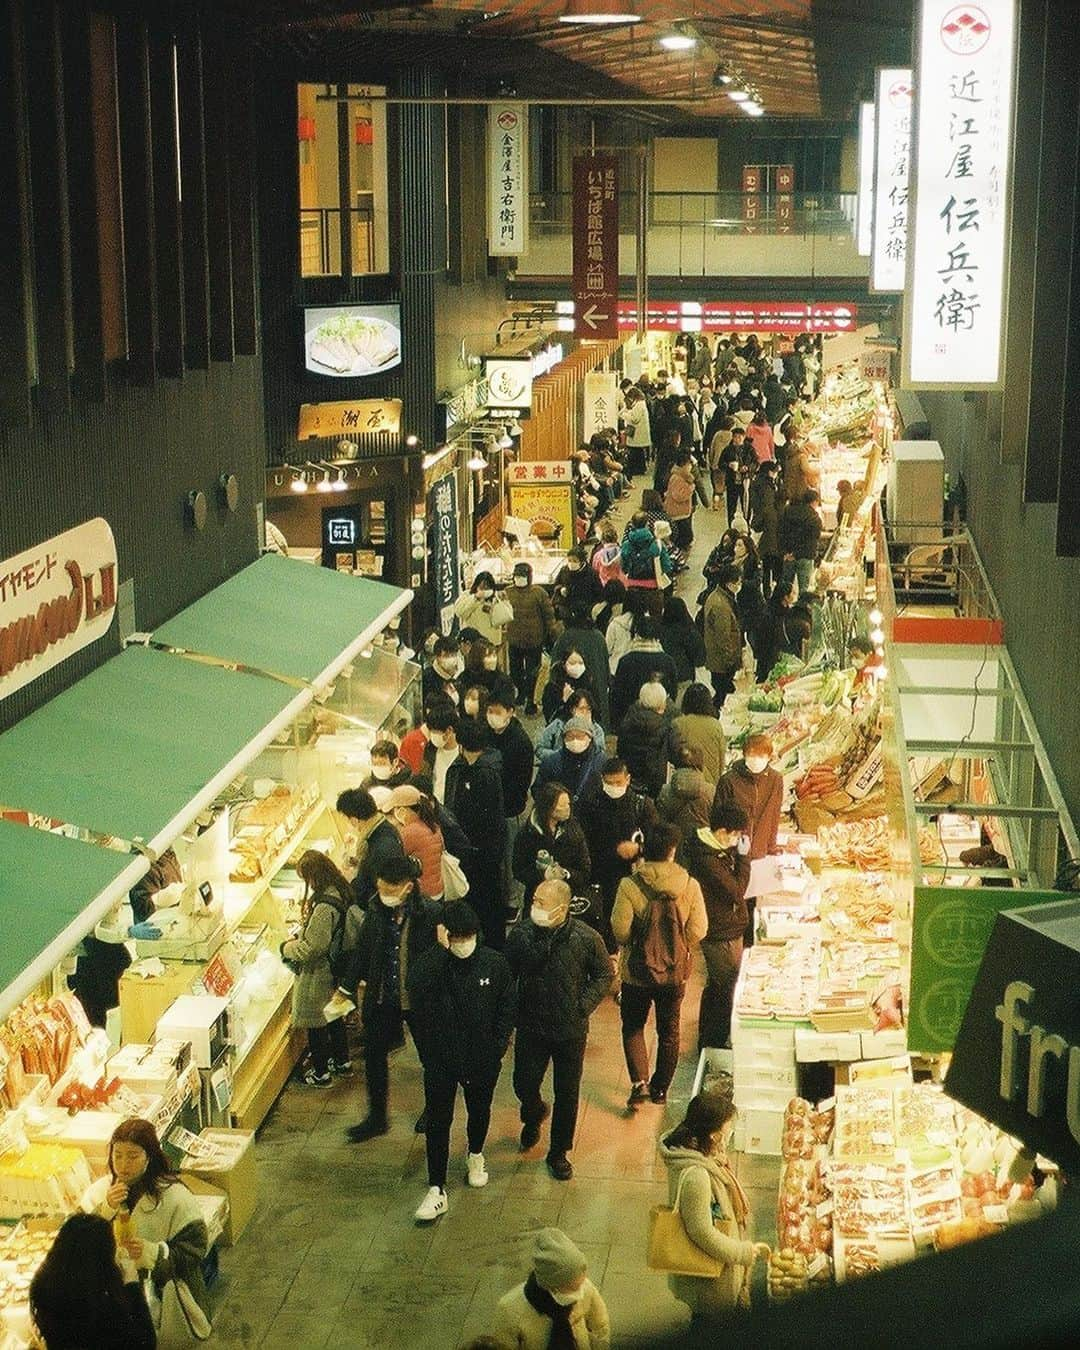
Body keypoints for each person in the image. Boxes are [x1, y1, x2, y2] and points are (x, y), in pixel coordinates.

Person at [407, 902, 517, 1223]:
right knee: (438, 1122)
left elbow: (506, 1007)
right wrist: (441, 951)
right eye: (456, 937)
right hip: (441, 1060)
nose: (463, 943)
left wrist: (496, 1048)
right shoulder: (433, 964)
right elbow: (415, 988)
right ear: (445, 935)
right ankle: (436, 1186)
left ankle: (475, 1154)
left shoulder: (493, 964)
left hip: (481, 1060)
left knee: (479, 1110)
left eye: (467, 936)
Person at [505, 881, 611, 1181]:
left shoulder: (586, 938)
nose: (534, 906)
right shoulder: (523, 934)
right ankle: (534, 1111)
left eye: (541, 902)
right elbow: (506, 972)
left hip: (570, 1029)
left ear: (562, 909)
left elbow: (604, 973)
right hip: (531, 1025)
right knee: (524, 1082)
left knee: (567, 1092)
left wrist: (582, 1006)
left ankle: (559, 1151)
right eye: (534, 900)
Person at [342, 854, 441, 1141]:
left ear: (408, 887)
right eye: (381, 888)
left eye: (389, 889)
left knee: (432, 1058)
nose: (383, 894)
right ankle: (376, 1118)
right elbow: (363, 951)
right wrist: (347, 989)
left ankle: (434, 1109)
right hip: (385, 996)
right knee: (374, 1056)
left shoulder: (431, 914)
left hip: (419, 999)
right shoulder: (376, 910)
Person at [85, 1118, 209, 1344]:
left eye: (133, 1156)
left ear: (149, 1157)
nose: (123, 1164)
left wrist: (152, 1254)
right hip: (114, 1299)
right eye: (117, 1155)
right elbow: (79, 1243)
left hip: (162, 1301)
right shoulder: (100, 1192)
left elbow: (195, 1249)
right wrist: (105, 1210)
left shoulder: (174, 1197)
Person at [612, 823, 706, 1109]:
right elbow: (699, 929)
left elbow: (620, 930)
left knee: (633, 1025)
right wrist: (678, 945)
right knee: (669, 1030)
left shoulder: (630, 885)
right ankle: (660, 1088)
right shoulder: (689, 885)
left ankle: (639, 1082)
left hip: (637, 973)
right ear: (672, 852)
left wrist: (640, 945)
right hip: (674, 974)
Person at [658, 1094, 768, 1319]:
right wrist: (741, 1252)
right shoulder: (697, 1176)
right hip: (708, 1280)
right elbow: (701, 1232)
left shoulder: (697, 1152)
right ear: (713, 1135)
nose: (727, 1138)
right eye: (726, 1132)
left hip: (712, 1271)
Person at [30, 1212, 156, 1350]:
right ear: (101, 1261)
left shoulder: (43, 1289)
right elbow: (146, 1342)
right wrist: (132, 1285)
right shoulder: (104, 1309)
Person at [283, 850, 353, 1085]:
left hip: (320, 973)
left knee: (316, 1025)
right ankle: (343, 1061)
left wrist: (287, 948)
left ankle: (321, 1072)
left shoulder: (324, 907)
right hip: (338, 971)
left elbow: (312, 948)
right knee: (334, 1018)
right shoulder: (341, 889)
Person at [685, 803, 751, 1049]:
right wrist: (744, 859)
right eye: (735, 835)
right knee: (723, 988)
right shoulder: (706, 858)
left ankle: (710, 1039)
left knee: (718, 986)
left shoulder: (717, 850)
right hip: (719, 931)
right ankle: (713, 1042)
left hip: (728, 926)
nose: (737, 840)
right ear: (721, 831)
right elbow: (735, 891)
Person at [577, 758, 659, 955]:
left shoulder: (642, 805)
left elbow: (658, 842)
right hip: (600, 878)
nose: (614, 787)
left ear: (628, 779)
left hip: (632, 878)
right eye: (609, 783)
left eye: (618, 783)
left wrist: (638, 849)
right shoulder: (590, 805)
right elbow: (581, 842)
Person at [712, 733, 783, 946]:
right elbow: (717, 816)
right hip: (734, 853)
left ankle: (749, 946)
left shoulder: (775, 780)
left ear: (769, 756)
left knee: (755, 904)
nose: (755, 759)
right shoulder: (728, 781)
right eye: (751, 754)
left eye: (761, 755)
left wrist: (771, 847)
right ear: (744, 754)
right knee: (734, 901)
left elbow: (775, 814)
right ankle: (735, 946)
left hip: (760, 852)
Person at [444, 717, 508, 949]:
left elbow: (453, 809)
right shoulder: (486, 769)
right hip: (484, 853)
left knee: (479, 903)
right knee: (489, 904)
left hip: (474, 854)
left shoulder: (476, 772)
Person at [492, 1227, 611, 1350]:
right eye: (572, 1287)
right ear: (551, 1286)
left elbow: (600, 1326)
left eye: (581, 1281)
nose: (580, 1292)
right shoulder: (509, 1309)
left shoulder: (586, 1288)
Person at [512, 782, 592, 909]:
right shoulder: (527, 834)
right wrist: (543, 876)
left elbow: (585, 869)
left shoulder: (573, 829)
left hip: (569, 899)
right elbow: (519, 870)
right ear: (549, 809)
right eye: (562, 806)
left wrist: (566, 874)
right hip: (538, 898)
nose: (568, 808)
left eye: (568, 804)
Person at [336, 786, 407, 907]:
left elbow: (364, 894)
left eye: (346, 820)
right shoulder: (385, 827)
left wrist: (350, 878)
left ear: (354, 820)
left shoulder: (379, 846)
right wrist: (357, 863)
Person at [505, 562, 560, 715]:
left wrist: (552, 633)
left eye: (522, 576)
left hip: (534, 640)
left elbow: (548, 616)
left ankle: (530, 700)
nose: (519, 579)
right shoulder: (507, 592)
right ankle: (521, 692)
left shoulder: (539, 593)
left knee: (532, 672)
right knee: (515, 671)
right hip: (514, 639)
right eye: (517, 576)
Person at [609, 612, 678, 728]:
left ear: (637, 633)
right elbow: (673, 691)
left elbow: (617, 694)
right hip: (661, 721)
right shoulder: (667, 661)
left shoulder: (626, 661)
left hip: (631, 721)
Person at [617, 679, 681, 799]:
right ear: (662, 704)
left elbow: (621, 751)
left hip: (631, 782)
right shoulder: (667, 728)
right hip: (656, 786)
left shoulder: (627, 723)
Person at [551, 606, 611, 727]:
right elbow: (605, 663)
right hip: (597, 684)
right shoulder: (598, 636)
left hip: (569, 686)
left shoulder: (565, 637)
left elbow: (555, 664)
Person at [385, 784, 445, 902]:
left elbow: (395, 859)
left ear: (402, 811)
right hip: (438, 889)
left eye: (393, 811)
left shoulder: (409, 833)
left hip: (424, 894)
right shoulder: (432, 825)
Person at [532, 716, 605, 804]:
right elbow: (538, 789)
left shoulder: (601, 761)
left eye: (580, 736)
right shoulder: (552, 762)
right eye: (570, 736)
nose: (575, 740)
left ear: (590, 738)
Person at [656, 744, 716, 851]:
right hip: (704, 851)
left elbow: (661, 826)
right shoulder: (711, 791)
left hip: (674, 850)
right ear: (701, 764)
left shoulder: (665, 791)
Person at [702, 563, 742, 708]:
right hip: (721, 662)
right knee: (721, 696)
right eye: (737, 582)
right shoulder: (720, 605)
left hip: (719, 659)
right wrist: (731, 661)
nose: (739, 585)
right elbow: (723, 637)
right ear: (729, 583)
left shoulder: (720, 597)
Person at [672, 682, 726, 785]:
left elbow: (672, 756)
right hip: (709, 785)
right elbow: (721, 761)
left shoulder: (677, 724)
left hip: (682, 783)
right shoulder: (715, 725)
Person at [535, 688, 607, 764]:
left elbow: (600, 756)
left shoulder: (597, 730)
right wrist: (557, 757)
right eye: (582, 709)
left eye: (588, 709)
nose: (585, 713)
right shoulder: (558, 724)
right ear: (572, 709)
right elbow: (540, 748)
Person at [455, 571, 514, 652]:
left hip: (492, 642)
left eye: (487, 587)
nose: (484, 590)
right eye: (482, 587)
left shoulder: (497, 597)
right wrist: (476, 598)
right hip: (472, 642)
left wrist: (502, 601)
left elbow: (506, 617)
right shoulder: (467, 595)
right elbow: (460, 612)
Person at [751, 580, 797, 684]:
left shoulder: (782, 609)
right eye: (792, 593)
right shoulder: (770, 614)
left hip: (773, 653)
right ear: (785, 597)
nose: (794, 596)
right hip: (768, 654)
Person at [749, 459, 783, 593]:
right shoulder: (766, 486)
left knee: (766, 562)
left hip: (763, 525)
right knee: (771, 560)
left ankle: (767, 590)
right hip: (770, 528)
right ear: (769, 472)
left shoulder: (758, 483)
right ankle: (771, 592)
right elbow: (768, 508)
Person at [779, 488, 822, 595]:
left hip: (788, 555)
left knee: (785, 589)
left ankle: (784, 609)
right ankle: (801, 610)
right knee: (804, 590)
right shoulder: (814, 517)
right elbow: (814, 537)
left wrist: (786, 552)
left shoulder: (787, 511)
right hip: (805, 556)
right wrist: (798, 554)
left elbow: (781, 532)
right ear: (814, 502)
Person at [540, 649, 601, 725]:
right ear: (564, 664)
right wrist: (564, 701)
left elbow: (598, 714)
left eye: (580, 663)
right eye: (572, 663)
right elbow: (550, 718)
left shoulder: (589, 684)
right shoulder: (552, 687)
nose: (577, 666)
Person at [418, 701, 461, 804]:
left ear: (449, 730)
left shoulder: (463, 753)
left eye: (434, 731)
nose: (432, 735)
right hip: (433, 807)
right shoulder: (430, 749)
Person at [658, 593, 706, 684]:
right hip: (684, 676)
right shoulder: (689, 631)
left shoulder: (659, 630)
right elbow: (700, 658)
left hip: (662, 677)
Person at [553, 546, 602, 622]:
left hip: (584, 612)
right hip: (566, 610)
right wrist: (561, 589)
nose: (571, 563)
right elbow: (556, 584)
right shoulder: (564, 571)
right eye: (569, 560)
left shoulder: (591, 574)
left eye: (575, 561)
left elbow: (598, 593)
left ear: (582, 562)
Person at [663, 450, 697, 552]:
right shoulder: (677, 478)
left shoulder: (682, 476)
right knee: (685, 537)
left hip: (683, 512)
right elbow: (678, 495)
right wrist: (690, 489)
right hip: (678, 513)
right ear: (684, 465)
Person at [422, 636, 463, 708]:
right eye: (446, 656)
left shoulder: (462, 675)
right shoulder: (427, 677)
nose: (451, 659)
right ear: (437, 657)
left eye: (453, 655)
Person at [621, 386, 652, 479]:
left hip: (638, 433)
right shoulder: (640, 403)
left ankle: (638, 469)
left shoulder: (639, 404)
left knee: (636, 452)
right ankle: (640, 469)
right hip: (639, 433)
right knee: (638, 452)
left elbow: (635, 419)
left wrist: (625, 415)